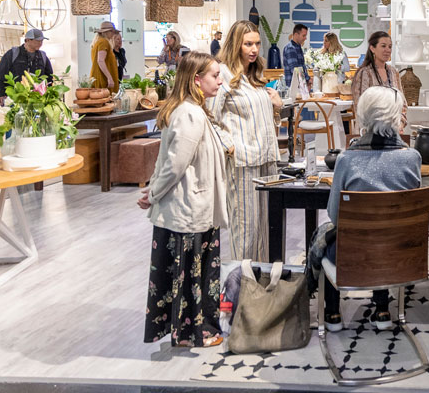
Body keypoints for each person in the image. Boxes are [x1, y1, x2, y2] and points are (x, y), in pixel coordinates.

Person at [138, 51, 231, 348]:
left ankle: (187, 331)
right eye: (214, 76)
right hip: (188, 209)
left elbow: (168, 160)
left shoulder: (190, 110)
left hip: (190, 207)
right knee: (193, 273)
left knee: (191, 272)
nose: (220, 80)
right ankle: (194, 332)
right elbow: (175, 165)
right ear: (196, 80)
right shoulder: (189, 113)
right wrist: (153, 193)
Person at [319, 86, 421, 332]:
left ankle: (333, 313)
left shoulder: (347, 160)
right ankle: (382, 309)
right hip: (400, 256)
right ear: (397, 117)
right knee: (386, 230)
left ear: (362, 115)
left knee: (333, 235)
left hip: (352, 257)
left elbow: (334, 215)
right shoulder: (412, 158)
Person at [209, 20, 284, 261]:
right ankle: (242, 288)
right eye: (248, 44)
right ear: (235, 44)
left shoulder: (255, 74)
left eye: (257, 44)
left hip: (267, 158)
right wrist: (228, 145)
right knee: (246, 229)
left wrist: (277, 107)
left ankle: (263, 286)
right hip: (243, 162)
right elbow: (209, 116)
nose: (254, 49)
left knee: (267, 227)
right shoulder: (222, 73)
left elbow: (263, 117)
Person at [0, 28, 54, 106]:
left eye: (41, 41)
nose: (40, 43)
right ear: (28, 40)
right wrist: (0, 94)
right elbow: (0, 75)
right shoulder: (12, 54)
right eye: (37, 41)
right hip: (15, 99)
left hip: (37, 100)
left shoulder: (43, 56)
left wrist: (47, 94)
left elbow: (49, 77)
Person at [351, 31, 405, 110]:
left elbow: (402, 102)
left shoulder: (394, 72)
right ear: (372, 48)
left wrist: (400, 121)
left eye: (390, 47)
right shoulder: (365, 73)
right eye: (383, 46)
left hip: (395, 121)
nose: (387, 50)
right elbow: (361, 106)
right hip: (372, 121)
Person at [90, 21, 120, 93]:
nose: (113, 34)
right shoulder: (104, 42)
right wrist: (109, 78)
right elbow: (100, 61)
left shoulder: (98, 42)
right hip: (102, 78)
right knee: (105, 100)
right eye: (112, 32)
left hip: (99, 77)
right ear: (107, 32)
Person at [283, 23, 310, 89]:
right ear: (296, 35)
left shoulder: (298, 48)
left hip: (300, 87)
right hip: (293, 88)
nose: (305, 38)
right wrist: (308, 79)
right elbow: (295, 70)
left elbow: (302, 68)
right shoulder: (290, 48)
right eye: (303, 36)